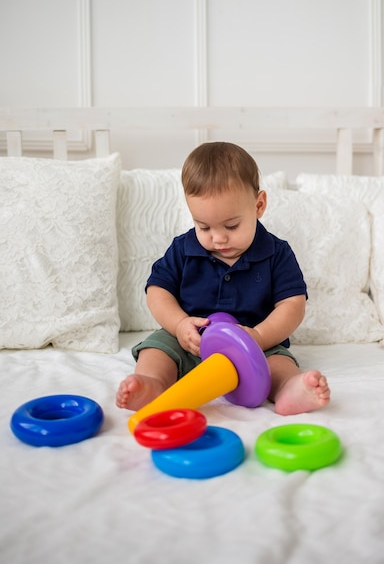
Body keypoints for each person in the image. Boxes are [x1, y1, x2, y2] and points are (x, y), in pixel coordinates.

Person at [116, 142, 330, 416]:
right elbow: (157, 291)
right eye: (203, 226)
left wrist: (260, 336)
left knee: (278, 362)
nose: (217, 238)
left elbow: (293, 305)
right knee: (157, 349)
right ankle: (153, 385)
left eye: (231, 226)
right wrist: (179, 325)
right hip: (191, 341)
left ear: (259, 205)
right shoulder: (184, 249)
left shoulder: (277, 253)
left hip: (253, 344)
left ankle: (290, 389)